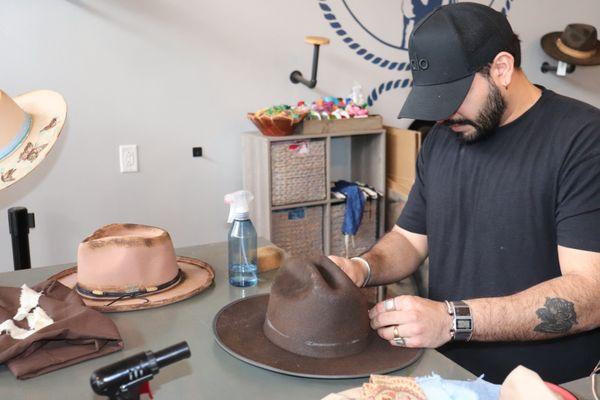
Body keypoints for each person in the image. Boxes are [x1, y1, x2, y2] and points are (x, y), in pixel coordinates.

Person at [329, 2, 600, 384]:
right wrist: (362, 267)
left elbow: (591, 295)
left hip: (547, 384)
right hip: (446, 374)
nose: (442, 116)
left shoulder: (584, 140)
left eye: (453, 96)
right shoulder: (442, 139)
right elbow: (410, 239)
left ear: (502, 69)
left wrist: (451, 320)